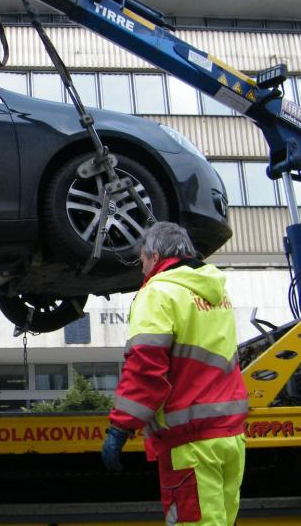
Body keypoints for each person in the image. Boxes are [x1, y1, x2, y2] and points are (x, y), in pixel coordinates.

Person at [101, 221, 248, 526]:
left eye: (142, 259)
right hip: (230, 437)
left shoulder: (158, 293)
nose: (142, 268)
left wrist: (121, 427)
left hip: (190, 444)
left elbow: (146, 368)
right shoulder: (217, 293)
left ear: (154, 256)